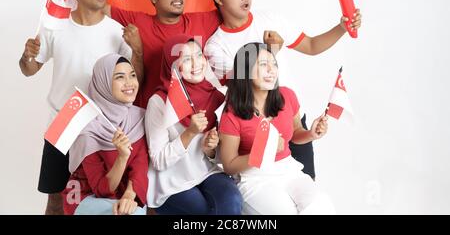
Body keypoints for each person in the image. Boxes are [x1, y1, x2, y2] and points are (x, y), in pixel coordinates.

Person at [204, 0, 362, 179]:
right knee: (264, 196)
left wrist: (342, 27)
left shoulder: (271, 18)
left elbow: (312, 46)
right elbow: (238, 83)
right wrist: (273, 52)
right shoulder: (215, 45)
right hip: (251, 126)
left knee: (306, 184)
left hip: (289, 114)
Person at [19, 0, 143, 214]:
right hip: (64, 122)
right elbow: (29, 70)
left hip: (103, 129)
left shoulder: (117, 30)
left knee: (105, 197)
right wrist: (27, 56)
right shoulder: (55, 27)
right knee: (56, 199)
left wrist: (138, 51)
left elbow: (134, 79)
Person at [51, 0, 257, 107]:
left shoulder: (201, 20)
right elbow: (96, 3)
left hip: (193, 115)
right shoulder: (139, 22)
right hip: (148, 113)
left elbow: (231, 3)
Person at [219, 42, 335, 215]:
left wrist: (311, 134)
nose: (271, 70)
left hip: (288, 170)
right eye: (264, 64)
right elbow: (229, 165)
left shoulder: (287, 95)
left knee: (320, 207)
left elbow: (295, 134)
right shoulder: (231, 114)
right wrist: (262, 153)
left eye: (274, 64)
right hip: (254, 178)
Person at [145, 34, 242, 215]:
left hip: (205, 172)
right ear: (173, 65)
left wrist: (211, 149)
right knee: (201, 210)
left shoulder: (213, 94)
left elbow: (220, 156)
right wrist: (189, 133)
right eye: (187, 59)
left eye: (199, 55)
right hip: (171, 182)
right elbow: (158, 161)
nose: (197, 64)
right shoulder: (159, 103)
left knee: (232, 199)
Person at [63, 54, 148, 215]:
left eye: (132, 75)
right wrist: (122, 158)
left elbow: (140, 165)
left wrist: (130, 195)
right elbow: (101, 189)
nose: (129, 83)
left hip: (123, 193)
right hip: (84, 196)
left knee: (134, 210)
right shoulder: (88, 130)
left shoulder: (139, 117)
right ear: (104, 83)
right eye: (120, 77)